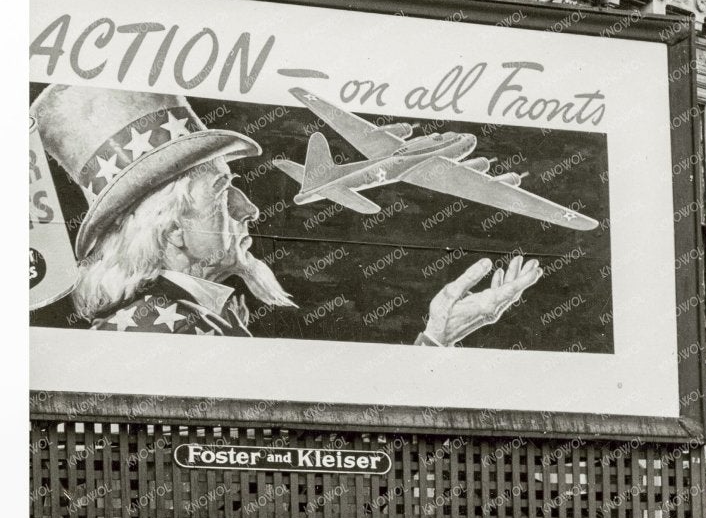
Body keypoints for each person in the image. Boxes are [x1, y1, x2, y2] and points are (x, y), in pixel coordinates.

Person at [32, 83, 540, 345]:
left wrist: (438, 334)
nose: (249, 208)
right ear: (171, 229)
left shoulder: (200, 317)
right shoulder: (150, 330)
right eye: (222, 191)